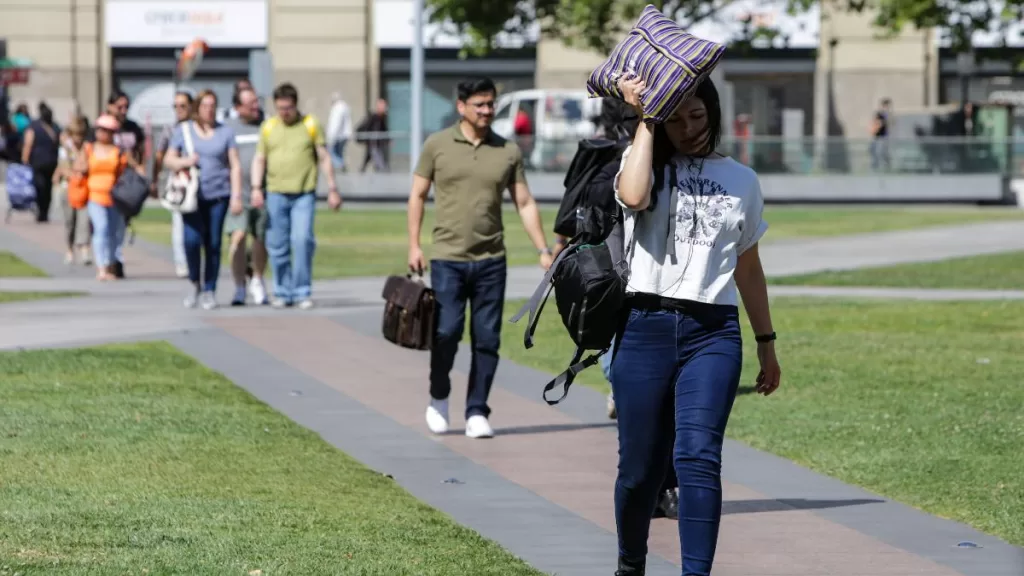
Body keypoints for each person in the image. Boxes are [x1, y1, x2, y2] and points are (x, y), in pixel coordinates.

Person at [610, 75, 782, 576]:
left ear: (714, 115)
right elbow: (635, 196)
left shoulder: (743, 180)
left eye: (698, 116)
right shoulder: (643, 163)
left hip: (713, 332)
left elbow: (748, 267)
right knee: (639, 473)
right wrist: (646, 116)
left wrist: (766, 343)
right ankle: (630, 564)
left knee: (698, 459)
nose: (688, 128)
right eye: (677, 118)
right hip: (645, 326)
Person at [408, 77, 553, 440]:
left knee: (487, 338)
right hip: (447, 258)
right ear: (461, 107)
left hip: (492, 259)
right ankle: (439, 397)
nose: (488, 111)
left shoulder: (507, 151)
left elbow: (524, 202)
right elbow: (417, 196)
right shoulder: (437, 145)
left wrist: (543, 249)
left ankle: (477, 410)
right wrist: (414, 245)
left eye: (490, 104)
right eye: (480, 105)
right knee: (446, 332)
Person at [250, 83, 341, 310]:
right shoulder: (269, 127)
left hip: (303, 194)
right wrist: (255, 188)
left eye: (288, 108)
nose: (285, 113)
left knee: (302, 241)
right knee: (277, 244)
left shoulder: (310, 125)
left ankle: (302, 291)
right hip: (275, 193)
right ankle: (282, 291)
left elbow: (324, 156)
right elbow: (260, 159)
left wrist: (332, 188)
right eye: (280, 108)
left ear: (295, 105)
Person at [162, 90, 242, 310]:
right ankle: (194, 281)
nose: (210, 109)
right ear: (197, 107)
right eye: (205, 105)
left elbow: (234, 164)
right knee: (191, 241)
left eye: (213, 105)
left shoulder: (225, 132)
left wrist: (236, 195)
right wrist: (186, 161)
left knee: (213, 243)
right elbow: (169, 159)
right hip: (192, 197)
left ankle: (210, 289)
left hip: (218, 194)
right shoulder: (184, 131)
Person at [75, 114, 139, 281]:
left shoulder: (118, 151)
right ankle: (101, 266)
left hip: (115, 197)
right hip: (95, 195)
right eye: (102, 130)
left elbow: (130, 168)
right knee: (101, 228)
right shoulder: (89, 149)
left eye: (108, 131)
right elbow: (78, 166)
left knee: (114, 232)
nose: (104, 134)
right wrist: (82, 169)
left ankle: (111, 264)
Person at [223, 86, 269, 306]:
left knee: (260, 239)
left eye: (256, 101)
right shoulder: (229, 129)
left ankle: (258, 279)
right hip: (238, 194)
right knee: (238, 237)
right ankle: (239, 285)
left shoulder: (267, 125)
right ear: (238, 107)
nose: (255, 106)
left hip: (262, 194)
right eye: (250, 103)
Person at [95, 90, 146, 279]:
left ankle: (115, 259)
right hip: (105, 181)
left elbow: (140, 152)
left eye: (126, 107)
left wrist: (141, 170)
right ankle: (108, 262)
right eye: (119, 106)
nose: (123, 110)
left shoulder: (133, 128)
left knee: (120, 223)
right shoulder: (102, 127)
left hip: (126, 182)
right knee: (103, 225)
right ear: (110, 106)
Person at [153, 90, 195, 278]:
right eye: (175, 106)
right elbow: (160, 154)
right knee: (179, 222)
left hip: (198, 179)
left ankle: (196, 260)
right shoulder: (170, 129)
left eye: (183, 105)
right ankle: (182, 263)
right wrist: (155, 178)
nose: (179, 110)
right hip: (180, 181)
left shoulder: (197, 127)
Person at [53, 116, 92, 265]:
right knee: (70, 222)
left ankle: (85, 250)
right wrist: (76, 170)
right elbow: (64, 168)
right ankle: (69, 249)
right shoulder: (65, 149)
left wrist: (76, 169)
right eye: (75, 134)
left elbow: (87, 167)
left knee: (85, 221)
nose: (78, 138)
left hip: (84, 189)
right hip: (68, 190)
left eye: (81, 134)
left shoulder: (87, 148)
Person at [20, 101, 61, 222]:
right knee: (48, 187)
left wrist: (24, 159)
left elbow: (28, 143)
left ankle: (41, 211)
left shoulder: (34, 126)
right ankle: (45, 211)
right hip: (52, 161)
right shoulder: (55, 126)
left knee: (40, 186)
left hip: (38, 162)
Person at [356, 98, 390, 172]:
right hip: (373, 144)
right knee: (379, 162)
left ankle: (362, 170)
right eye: (383, 106)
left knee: (369, 159)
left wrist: (388, 140)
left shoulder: (382, 118)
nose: (385, 108)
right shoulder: (373, 117)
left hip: (376, 144)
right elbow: (367, 128)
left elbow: (384, 129)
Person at [326, 92, 353, 171]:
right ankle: (340, 165)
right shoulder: (345, 107)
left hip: (338, 136)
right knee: (339, 153)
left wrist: (331, 137)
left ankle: (340, 165)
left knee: (331, 152)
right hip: (344, 135)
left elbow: (336, 123)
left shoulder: (338, 108)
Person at [870, 98, 891, 171]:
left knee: (885, 153)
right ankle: (875, 167)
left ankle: (886, 167)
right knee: (877, 152)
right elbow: (877, 124)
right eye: (886, 105)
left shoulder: (888, 115)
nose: (887, 108)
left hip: (885, 137)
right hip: (879, 137)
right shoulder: (879, 114)